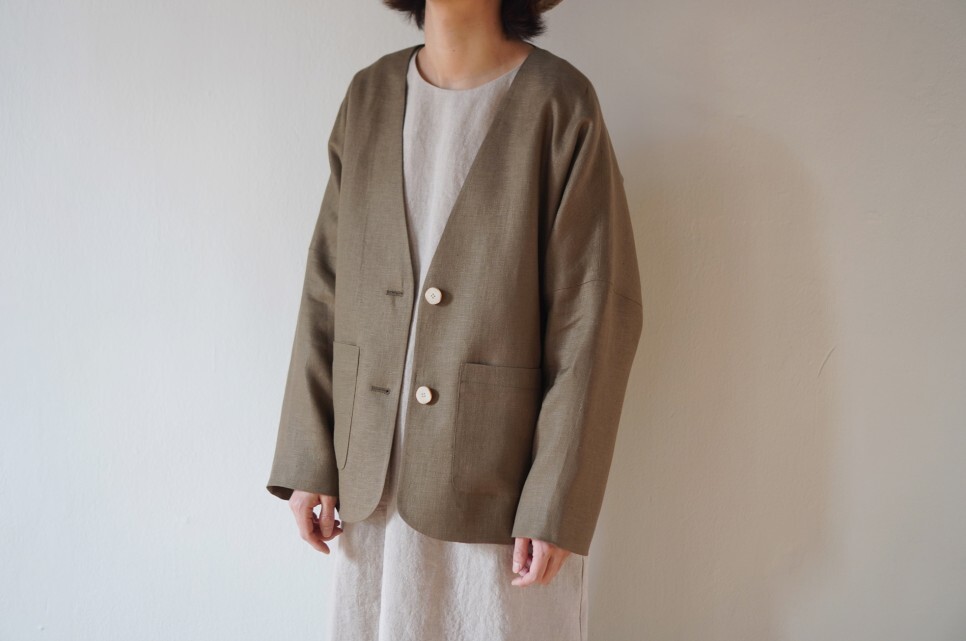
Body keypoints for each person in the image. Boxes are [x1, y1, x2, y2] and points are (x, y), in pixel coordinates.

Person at [266, 1, 644, 639]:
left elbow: (594, 313)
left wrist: (554, 500)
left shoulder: (560, 103)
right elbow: (326, 286)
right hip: (370, 488)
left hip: (500, 494)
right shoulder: (368, 97)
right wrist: (311, 459)